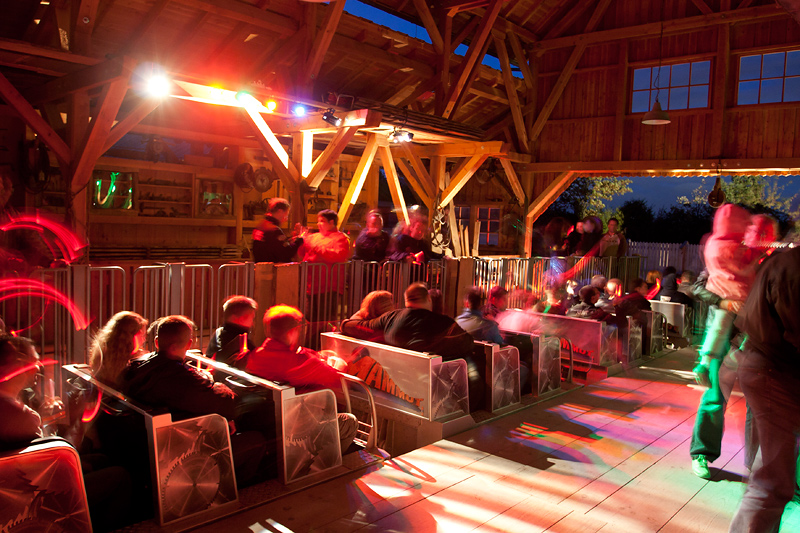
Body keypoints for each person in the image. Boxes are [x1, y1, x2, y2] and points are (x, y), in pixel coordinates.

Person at [122, 316, 269, 487]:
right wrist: (215, 384)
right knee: (256, 439)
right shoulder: (182, 380)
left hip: (148, 450)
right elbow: (227, 404)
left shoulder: (135, 367)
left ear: (156, 342)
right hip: (183, 455)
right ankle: (228, 489)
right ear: (189, 344)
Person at [728, 244, 800, 532]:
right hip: (773, 372)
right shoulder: (793, 267)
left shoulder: (786, 262)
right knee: (773, 480)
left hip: (768, 368)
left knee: (772, 471)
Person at [245, 305, 357, 452]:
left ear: (268, 330)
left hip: (270, 427)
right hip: (298, 433)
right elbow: (339, 381)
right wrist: (340, 363)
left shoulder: (256, 356)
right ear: (293, 332)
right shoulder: (301, 363)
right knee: (349, 422)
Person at [340, 283, 474, 361]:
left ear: (406, 301)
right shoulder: (444, 323)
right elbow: (468, 343)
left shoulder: (390, 318)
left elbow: (356, 327)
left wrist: (346, 323)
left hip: (397, 379)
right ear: (428, 298)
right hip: (429, 383)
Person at [299, 209, 351, 320]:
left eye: (322, 221)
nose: (318, 224)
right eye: (318, 221)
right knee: (310, 319)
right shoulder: (313, 237)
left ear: (331, 222)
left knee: (325, 319)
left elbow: (338, 256)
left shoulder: (341, 238)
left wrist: (317, 248)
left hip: (329, 287)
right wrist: (298, 240)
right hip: (311, 286)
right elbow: (302, 253)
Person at [88, 311, 149, 389]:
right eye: (142, 335)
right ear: (132, 337)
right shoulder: (133, 365)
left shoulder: (103, 351)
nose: (144, 340)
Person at [206, 295, 257, 368]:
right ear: (240, 319)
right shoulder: (242, 342)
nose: (252, 323)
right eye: (252, 318)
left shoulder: (218, 333)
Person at [252, 197, 304, 263]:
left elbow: (273, 246)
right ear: (280, 212)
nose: (286, 219)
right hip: (271, 267)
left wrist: (290, 240)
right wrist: (299, 240)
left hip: (259, 266)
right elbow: (286, 253)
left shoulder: (261, 226)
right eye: (286, 215)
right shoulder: (273, 229)